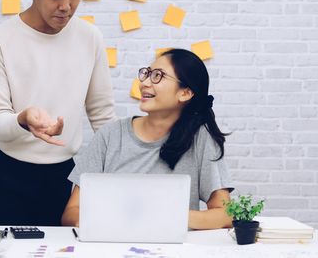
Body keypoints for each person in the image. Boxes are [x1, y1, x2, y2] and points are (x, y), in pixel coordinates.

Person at [0, 0, 116, 226]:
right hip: (7, 177)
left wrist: (121, 170)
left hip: (64, 176)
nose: (66, 6)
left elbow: (102, 114)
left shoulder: (90, 37)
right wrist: (23, 118)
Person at [61, 48, 234, 230]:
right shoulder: (110, 135)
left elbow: (225, 214)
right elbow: (71, 212)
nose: (144, 83)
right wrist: (109, 220)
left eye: (158, 76)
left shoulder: (201, 139)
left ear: (185, 93)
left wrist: (167, 216)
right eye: (147, 74)